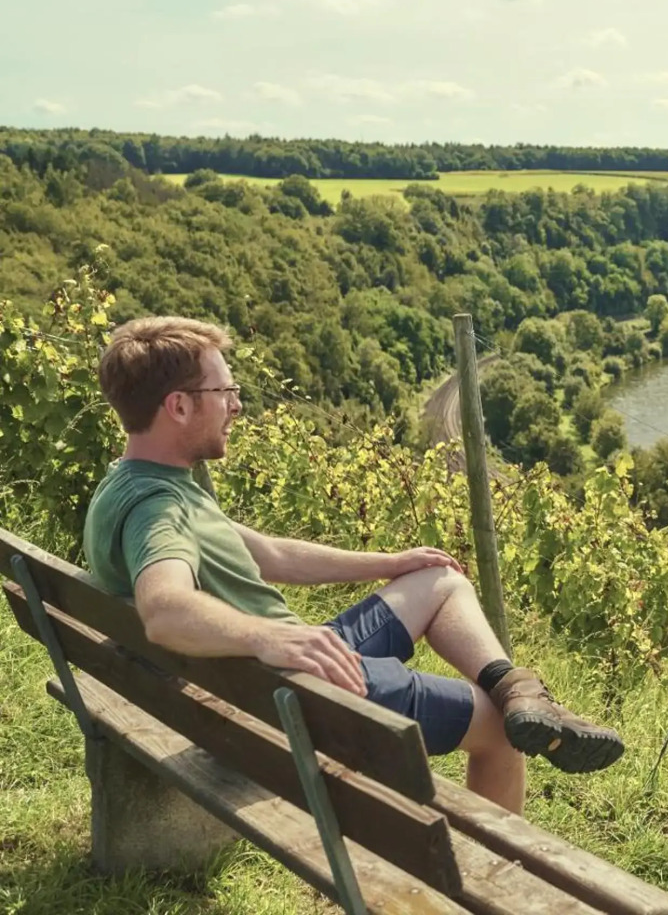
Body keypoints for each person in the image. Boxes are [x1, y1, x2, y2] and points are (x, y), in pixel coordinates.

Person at [82, 316, 623, 813]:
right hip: (303, 693)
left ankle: (517, 688)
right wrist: (269, 638)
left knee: (439, 579)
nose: (237, 406)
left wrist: (391, 562)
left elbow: (269, 554)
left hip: (280, 671)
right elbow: (163, 608)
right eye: (225, 391)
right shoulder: (159, 509)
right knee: (503, 732)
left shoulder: (135, 482)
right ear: (178, 407)